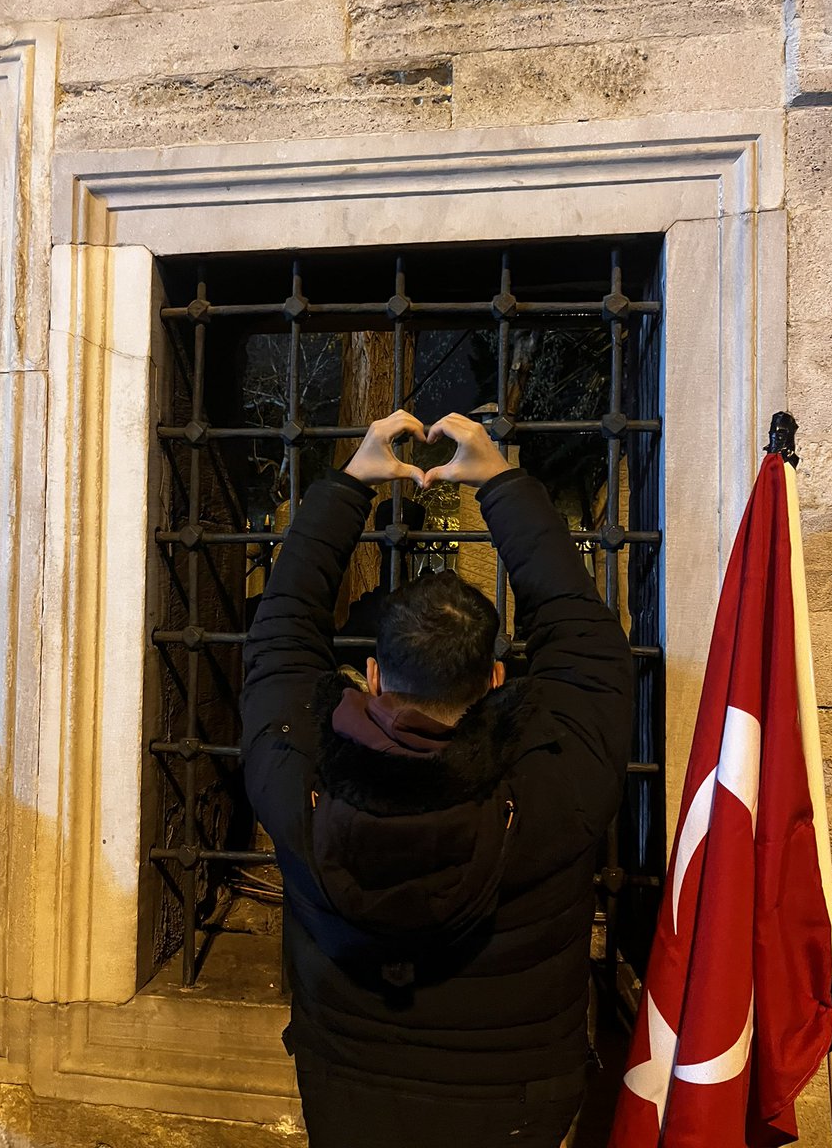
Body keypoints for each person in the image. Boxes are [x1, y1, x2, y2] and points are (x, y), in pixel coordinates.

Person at [241, 410, 633, 1148]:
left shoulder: (301, 780)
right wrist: (501, 481)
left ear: (374, 674)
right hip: (514, 1105)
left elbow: (280, 636)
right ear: (492, 678)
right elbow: (585, 644)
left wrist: (349, 485)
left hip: (349, 1092)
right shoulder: (555, 781)